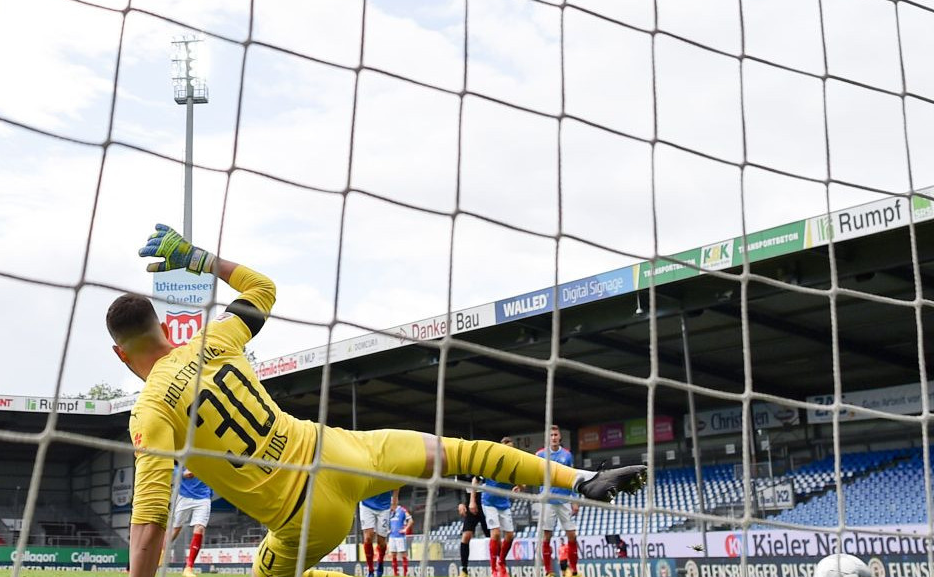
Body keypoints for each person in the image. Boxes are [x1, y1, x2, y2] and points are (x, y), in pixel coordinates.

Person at [110, 225, 648, 577]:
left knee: (264, 574)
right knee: (457, 453)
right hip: (342, 452)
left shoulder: (150, 410)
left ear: (120, 354)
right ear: (162, 327)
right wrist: (200, 258)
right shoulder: (216, 339)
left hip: (303, 517)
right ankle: (583, 480)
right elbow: (262, 288)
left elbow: (150, 523)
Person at [536, 426, 579, 577]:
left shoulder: (567, 455)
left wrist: (575, 500)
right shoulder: (540, 454)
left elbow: (572, 478)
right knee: (547, 536)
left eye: (556, 435)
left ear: (560, 437)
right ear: (548, 438)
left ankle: (574, 570)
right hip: (547, 501)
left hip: (564, 500)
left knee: (572, 535)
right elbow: (536, 476)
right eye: (551, 435)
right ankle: (549, 572)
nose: (553, 437)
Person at [481, 437, 518, 577]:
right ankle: (493, 569)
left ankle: (501, 562)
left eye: (512, 448)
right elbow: (478, 479)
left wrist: (517, 487)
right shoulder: (492, 464)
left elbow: (522, 483)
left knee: (510, 535)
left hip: (504, 503)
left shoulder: (515, 467)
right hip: (489, 502)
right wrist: (472, 500)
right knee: (495, 534)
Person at [168, 464, 212, 577]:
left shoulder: (208, 453)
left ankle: (188, 568)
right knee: (175, 529)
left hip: (203, 496)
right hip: (184, 496)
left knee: (200, 527)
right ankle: (160, 554)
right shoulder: (186, 449)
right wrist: (181, 473)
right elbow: (172, 464)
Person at [359, 489, 396, 577]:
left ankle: (380, 561)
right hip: (366, 503)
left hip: (384, 505)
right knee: (368, 537)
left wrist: (395, 499)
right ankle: (370, 570)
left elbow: (397, 482)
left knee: (381, 542)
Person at [456, 474, 488, 576]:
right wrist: (460, 503)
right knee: (466, 536)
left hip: (485, 503)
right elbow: (457, 487)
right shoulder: (462, 470)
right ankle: (464, 570)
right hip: (470, 505)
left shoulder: (481, 466)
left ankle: (497, 566)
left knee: (492, 536)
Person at [386, 502, 413, 576]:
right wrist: (388, 530)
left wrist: (405, 529)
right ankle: (395, 574)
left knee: (403, 554)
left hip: (400, 537)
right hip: (392, 536)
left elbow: (411, 521)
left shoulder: (402, 510)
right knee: (393, 555)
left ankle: (405, 573)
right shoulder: (390, 513)